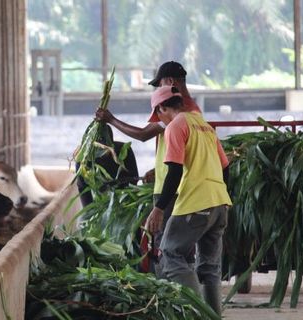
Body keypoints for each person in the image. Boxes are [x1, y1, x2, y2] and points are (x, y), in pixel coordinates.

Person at [95, 61, 200, 273]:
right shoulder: (193, 110)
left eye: (159, 85)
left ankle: (172, 292)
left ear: (169, 82)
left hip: (171, 189)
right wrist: (158, 168)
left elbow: (143, 135)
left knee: (167, 247)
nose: (158, 91)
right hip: (179, 185)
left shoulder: (177, 111)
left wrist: (111, 119)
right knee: (180, 248)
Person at [145, 86, 232, 315]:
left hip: (195, 202)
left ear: (162, 107)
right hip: (220, 202)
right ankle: (214, 315)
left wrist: (158, 208)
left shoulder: (175, 126)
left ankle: (196, 312)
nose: (160, 121)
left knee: (170, 253)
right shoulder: (204, 126)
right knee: (210, 267)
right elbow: (226, 167)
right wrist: (218, 194)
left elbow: (173, 171)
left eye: (159, 116)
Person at [75, 123, 139, 207]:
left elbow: (134, 178)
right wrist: (90, 211)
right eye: (98, 151)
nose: (101, 155)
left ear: (111, 144)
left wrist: (121, 197)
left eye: (105, 150)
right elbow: (82, 188)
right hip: (99, 200)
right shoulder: (84, 159)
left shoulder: (124, 151)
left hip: (123, 197)